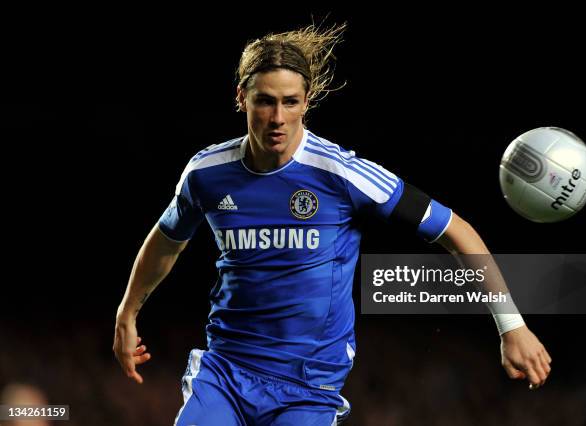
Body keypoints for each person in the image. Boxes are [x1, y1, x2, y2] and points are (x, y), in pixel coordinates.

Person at [113, 23, 552, 425]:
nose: (278, 118)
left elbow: (456, 230)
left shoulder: (341, 174)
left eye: (290, 102)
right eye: (265, 101)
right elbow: (168, 239)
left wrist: (511, 325)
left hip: (307, 388)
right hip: (226, 373)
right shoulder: (206, 173)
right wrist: (128, 312)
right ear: (241, 97)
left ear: (307, 102)